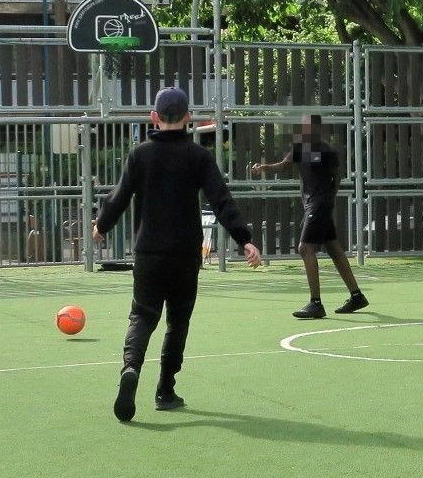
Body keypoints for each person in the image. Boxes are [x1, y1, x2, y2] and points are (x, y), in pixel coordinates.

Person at [93, 87, 263, 421]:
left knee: (142, 315)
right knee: (178, 322)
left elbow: (120, 196)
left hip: (148, 252)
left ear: (153, 117)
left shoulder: (139, 155)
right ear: (189, 118)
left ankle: (131, 368)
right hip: (186, 254)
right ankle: (165, 390)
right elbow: (221, 200)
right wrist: (244, 239)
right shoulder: (198, 157)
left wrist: (102, 225)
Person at [251, 113, 368, 320]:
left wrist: (329, 198)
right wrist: (264, 168)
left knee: (305, 248)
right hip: (312, 205)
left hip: (320, 205)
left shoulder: (326, 151)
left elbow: (337, 176)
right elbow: (285, 164)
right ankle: (356, 296)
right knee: (334, 249)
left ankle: (316, 303)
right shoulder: (299, 147)